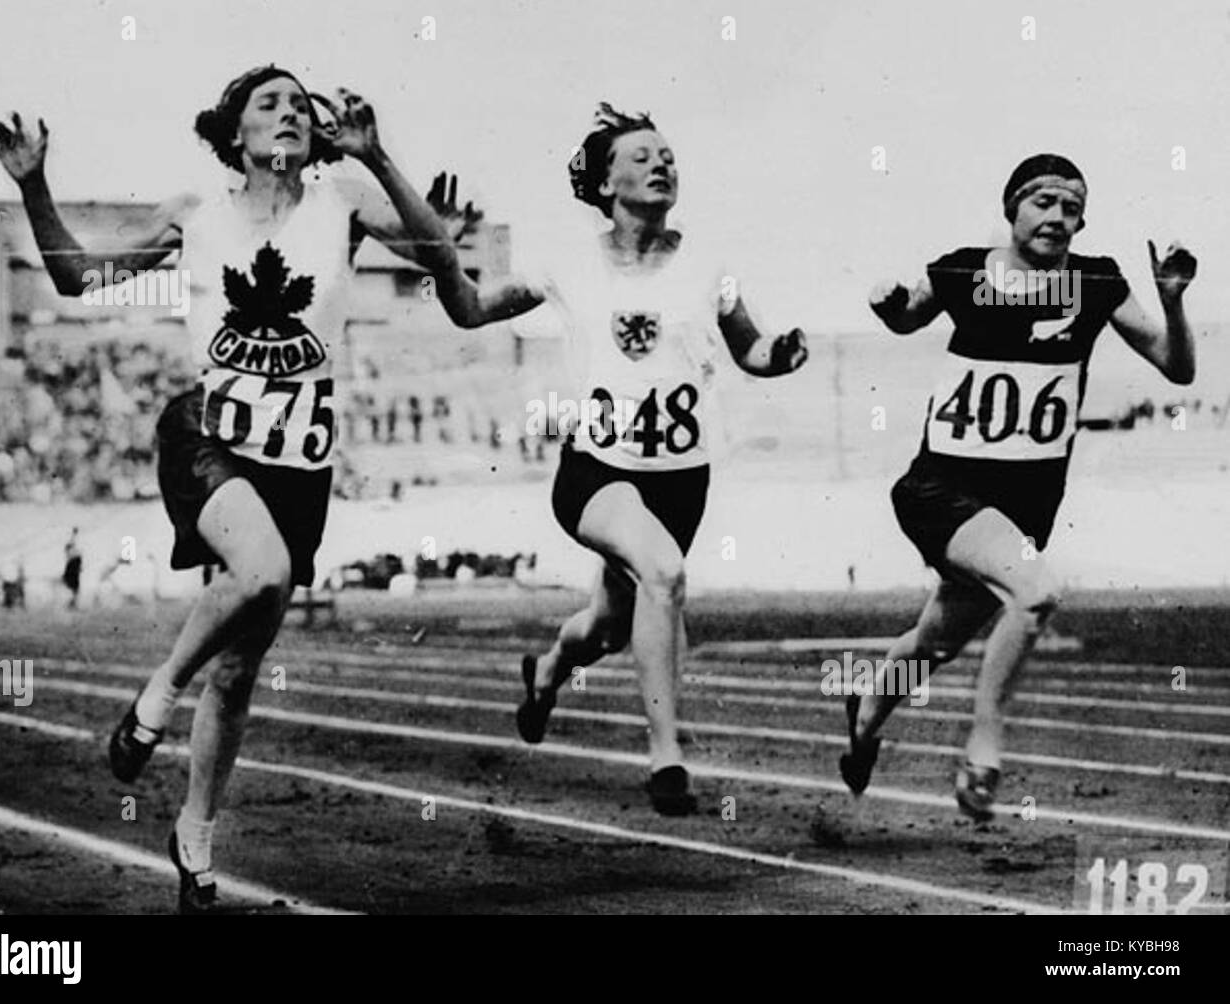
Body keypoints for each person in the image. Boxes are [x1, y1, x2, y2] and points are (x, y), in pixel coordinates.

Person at [0, 64, 469, 911]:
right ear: (233, 131)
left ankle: (195, 837)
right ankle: (155, 695)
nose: (287, 114)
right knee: (265, 572)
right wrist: (35, 185)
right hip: (206, 438)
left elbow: (439, 257)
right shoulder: (193, 212)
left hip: (297, 466)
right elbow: (73, 279)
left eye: (299, 106)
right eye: (266, 103)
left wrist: (381, 158)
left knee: (240, 670)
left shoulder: (342, 204)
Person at [427, 103, 809, 813]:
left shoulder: (707, 266)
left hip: (680, 480)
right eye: (639, 156)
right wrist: (442, 254)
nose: (661, 163)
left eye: (667, 154)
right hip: (599, 471)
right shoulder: (568, 264)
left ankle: (546, 673)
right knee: (664, 574)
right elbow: (472, 309)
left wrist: (779, 354)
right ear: (603, 184)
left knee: (606, 623)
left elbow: (748, 348)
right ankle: (667, 758)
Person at [846, 154, 1197, 820]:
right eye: (1042, 201)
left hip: (1025, 506)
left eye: (1071, 208)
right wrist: (886, 300)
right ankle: (983, 746)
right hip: (941, 486)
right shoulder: (961, 269)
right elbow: (905, 317)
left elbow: (1177, 369)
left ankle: (864, 717)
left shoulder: (1096, 282)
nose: (1057, 217)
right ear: (1011, 209)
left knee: (934, 642)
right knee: (1036, 594)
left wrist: (1174, 304)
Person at [61, 528, 82, 610]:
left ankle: (72, 604)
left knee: (75, 590)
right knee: (74, 590)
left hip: (73, 573)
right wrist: (74, 534)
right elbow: (72, 542)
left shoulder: (71, 555)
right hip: (72, 573)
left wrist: (74, 534)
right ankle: (71, 605)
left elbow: (72, 542)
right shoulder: (71, 554)